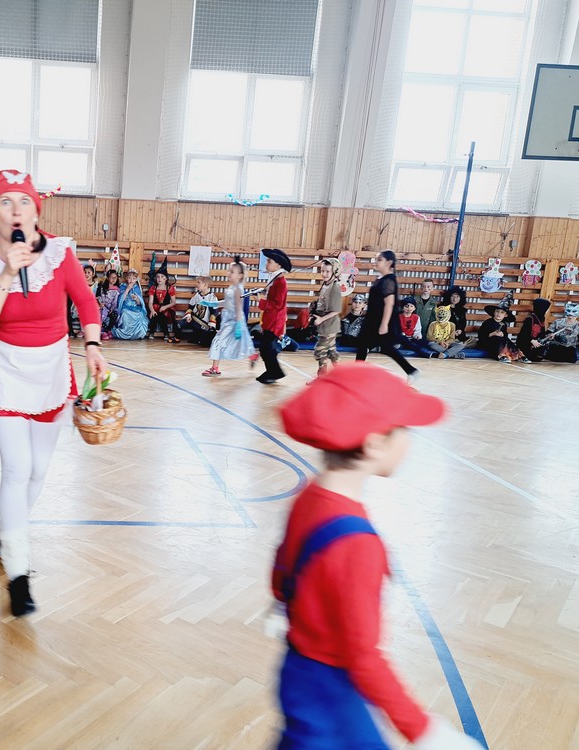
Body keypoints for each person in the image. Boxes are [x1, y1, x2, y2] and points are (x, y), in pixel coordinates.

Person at [273, 362, 482, 750]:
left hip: (299, 670)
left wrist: (284, 604)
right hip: (331, 690)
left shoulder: (311, 494)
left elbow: (283, 563)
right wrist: (424, 730)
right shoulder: (358, 543)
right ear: (374, 444)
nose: (410, 441)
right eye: (404, 430)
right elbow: (363, 656)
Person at [0, 169, 105, 617]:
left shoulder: (60, 253)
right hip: (6, 369)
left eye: (24, 201)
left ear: (36, 211)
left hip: (51, 370)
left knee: (39, 469)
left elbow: (85, 301)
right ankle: (18, 570)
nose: (16, 209)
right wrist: (8, 272)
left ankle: (8, 531)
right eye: (6, 202)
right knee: (16, 468)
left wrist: (93, 345)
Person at [356, 250, 419, 381]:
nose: (376, 262)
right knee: (366, 345)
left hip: (381, 321)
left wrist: (384, 324)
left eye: (380, 260)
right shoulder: (381, 279)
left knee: (384, 347)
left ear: (389, 263)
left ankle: (411, 370)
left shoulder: (389, 280)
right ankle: (357, 373)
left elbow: (389, 304)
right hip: (373, 319)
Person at [204, 256, 255, 377]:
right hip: (227, 319)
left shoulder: (238, 289)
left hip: (234, 320)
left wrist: (238, 325)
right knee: (243, 341)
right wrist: (213, 304)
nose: (229, 273)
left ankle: (215, 368)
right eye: (229, 271)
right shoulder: (231, 287)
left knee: (218, 341)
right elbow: (227, 302)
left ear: (240, 275)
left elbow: (238, 308)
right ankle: (253, 356)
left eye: (232, 272)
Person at [256, 248, 291, 385]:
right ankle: (272, 371)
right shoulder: (275, 279)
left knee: (266, 347)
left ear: (278, 265)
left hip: (274, 321)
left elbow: (277, 305)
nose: (266, 264)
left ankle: (275, 371)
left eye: (269, 261)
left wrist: (261, 301)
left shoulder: (280, 282)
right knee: (266, 348)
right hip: (271, 319)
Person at [310, 257, 342, 378]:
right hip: (326, 325)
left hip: (330, 326)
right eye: (322, 271)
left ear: (335, 272)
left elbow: (336, 310)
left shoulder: (335, 287)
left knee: (320, 350)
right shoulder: (325, 284)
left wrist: (321, 319)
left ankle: (322, 377)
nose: (324, 274)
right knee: (331, 351)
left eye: (327, 271)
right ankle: (342, 374)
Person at [146, 255, 179, 343]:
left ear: (166, 278)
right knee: (154, 314)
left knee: (162, 315)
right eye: (158, 277)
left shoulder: (170, 288)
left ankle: (166, 333)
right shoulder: (153, 288)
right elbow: (150, 302)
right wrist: (152, 310)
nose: (159, 279)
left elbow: (173, 302)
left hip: (166, 309)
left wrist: (165, 307)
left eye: (162, 277)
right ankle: (152, 332)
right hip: (155, 307)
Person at [111, 268, 148, 340]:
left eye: (133, 278)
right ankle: (125, 332)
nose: (131, 280)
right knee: (124, 313)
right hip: (126, 306)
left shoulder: (136, 288)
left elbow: (140, 303)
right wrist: (127, 289)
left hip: (135, 307)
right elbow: (120, 300)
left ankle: (138, 334)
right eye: (130, 278)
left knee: (140, 313)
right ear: (126, 278)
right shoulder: (123, 286)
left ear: (136, 280)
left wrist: (137, 299)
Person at [183, 275, 219, 346]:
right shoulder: (196, 296)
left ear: (205, 285)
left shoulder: (212, 298)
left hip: (204, 323)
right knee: (180, 324)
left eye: (198, 282)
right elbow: (190, 307)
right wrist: (188, 315)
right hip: (194, 320)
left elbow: (214, 312)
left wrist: (211, 324)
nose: (196, 284)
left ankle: (200, 338)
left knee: (205, 341)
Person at [515, 298, 551, 363]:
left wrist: (548, 335)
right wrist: (531, 340)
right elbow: (523, 335)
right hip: (526, 343)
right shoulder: (530, 319)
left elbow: (541, 334)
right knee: (533, 356)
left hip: (535, 344)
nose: (547, 310)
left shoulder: (541, 319)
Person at [97, 269, 120, 340]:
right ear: (107, 278)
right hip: (102, 306)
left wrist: (112, 308)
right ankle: (102, 331)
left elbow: (115, 301)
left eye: (115, 277)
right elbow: (98, 296)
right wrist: (100, 304)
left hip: (110, 307)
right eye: (111, 277)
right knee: (102, 313)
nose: (113, 279)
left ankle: (108, 329)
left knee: (115, 314)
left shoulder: (116, 289)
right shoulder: (102, 287)